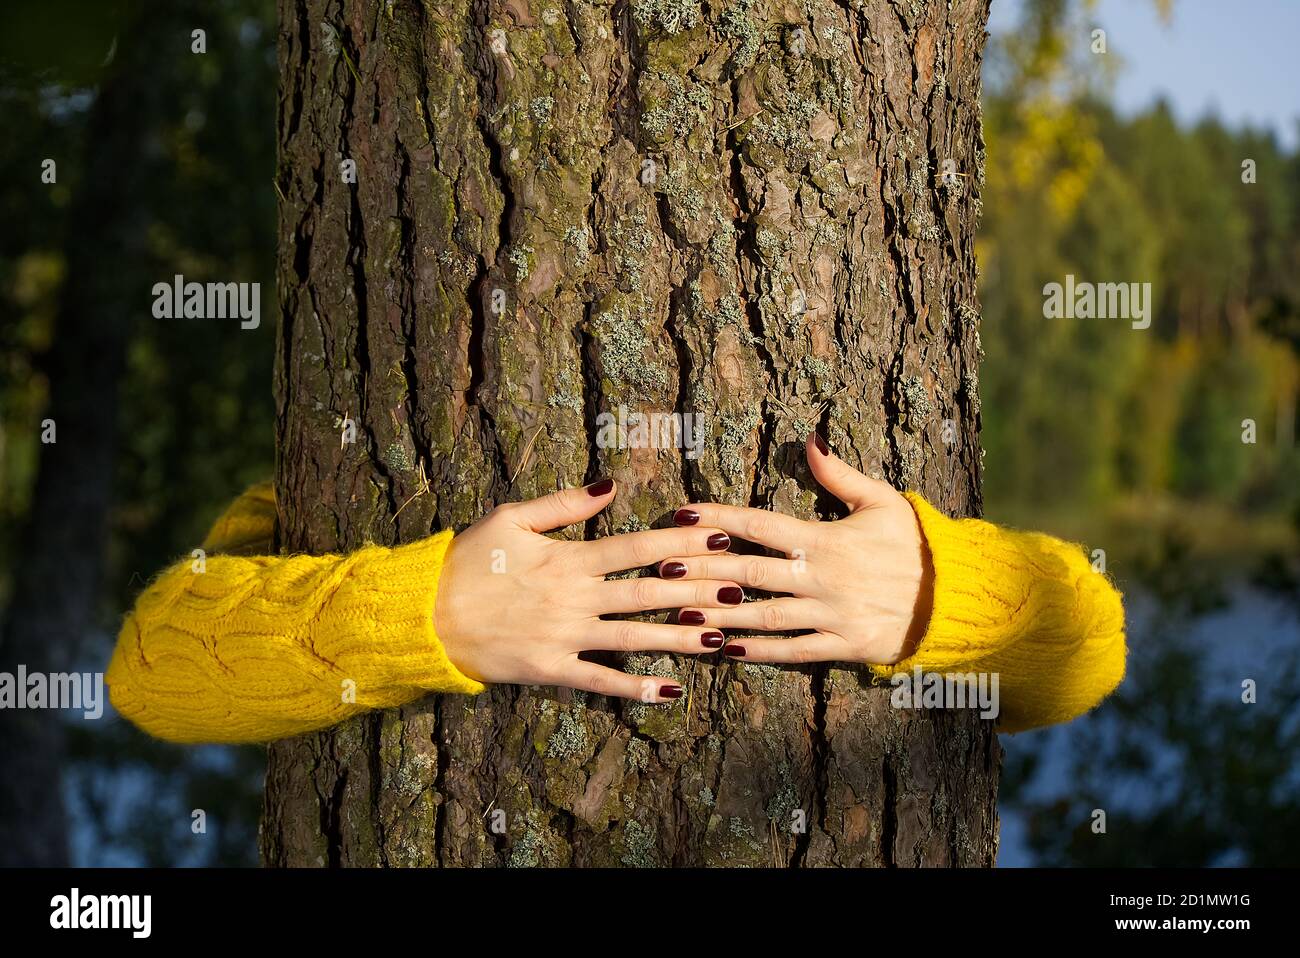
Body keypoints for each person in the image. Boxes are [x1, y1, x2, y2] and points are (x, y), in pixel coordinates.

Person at [106, 435, 1126, 743]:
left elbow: (1089, 653)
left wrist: (938, 592)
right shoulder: (310, 478)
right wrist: (430, 616)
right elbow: (153, 670)